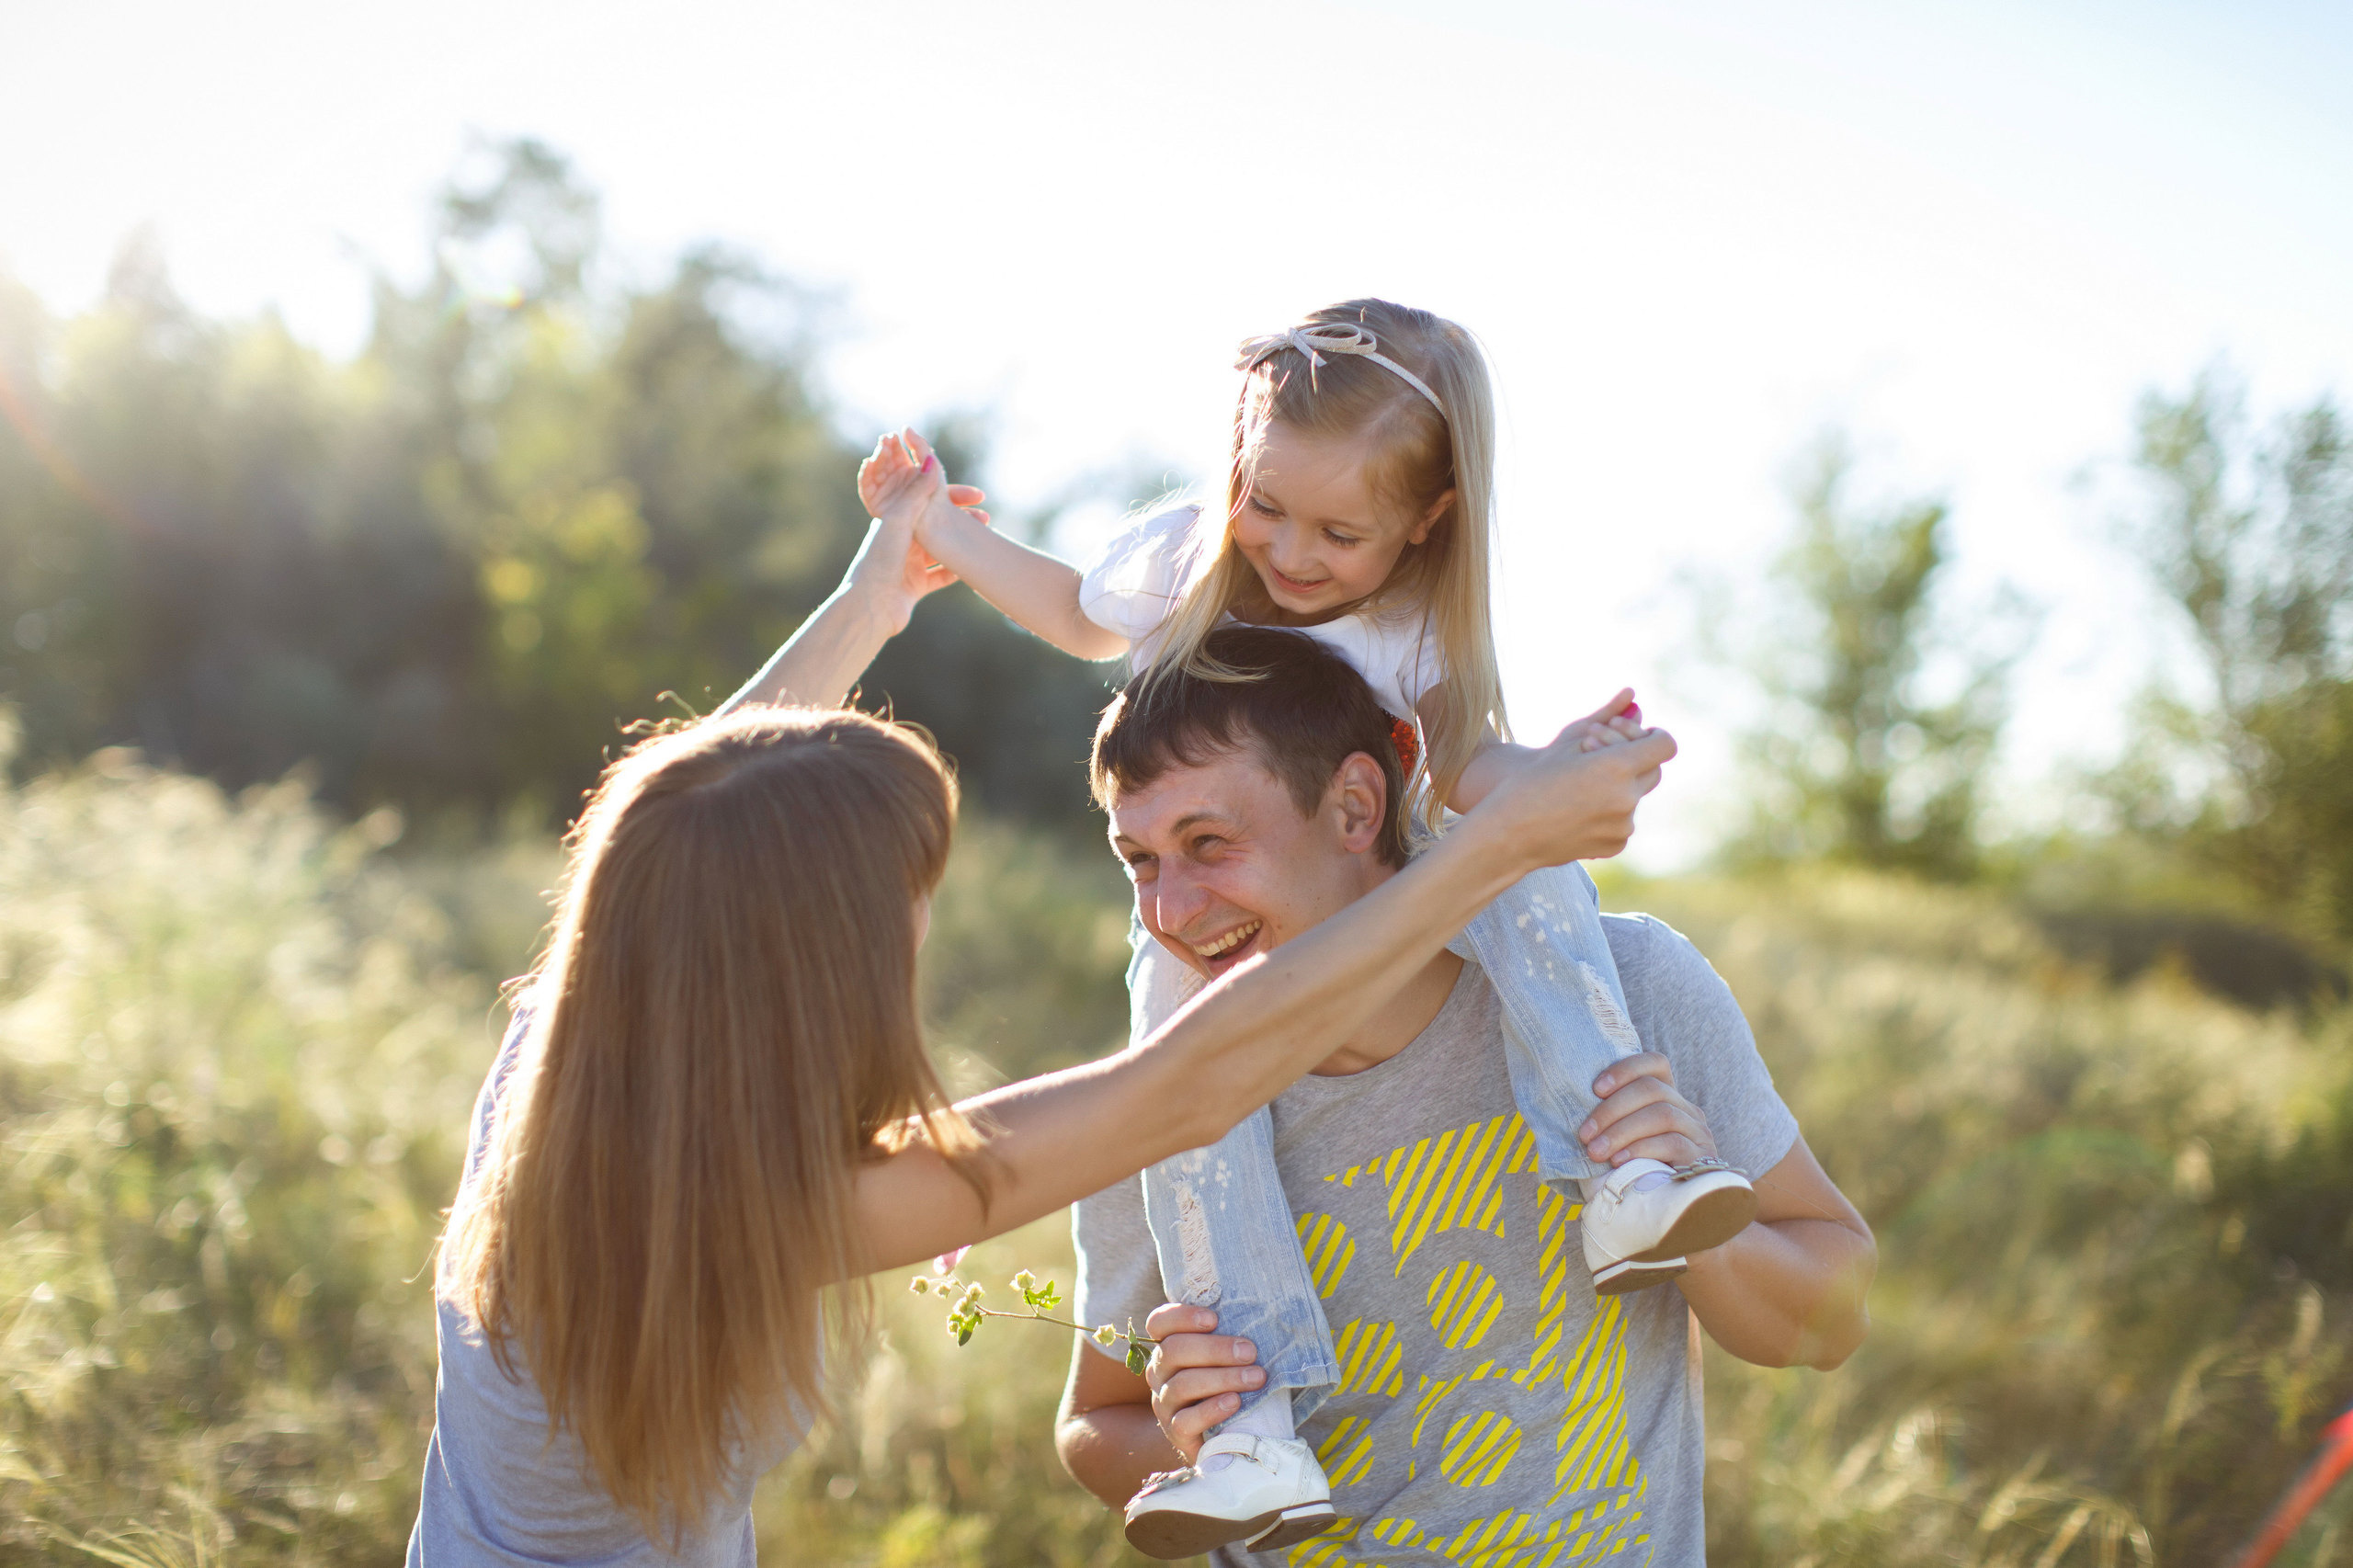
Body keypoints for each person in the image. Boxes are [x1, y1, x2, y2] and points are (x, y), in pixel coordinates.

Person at [404, 438, 1677, 1565]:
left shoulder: (567, 1051)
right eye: (904, 902)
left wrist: (874, 596)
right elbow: (1185, 1083)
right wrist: (1495, 846)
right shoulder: (763, 1204)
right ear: (809, 968)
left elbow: (680, 818)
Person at [882, 298, 1751, 1551]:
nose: (1291, 551)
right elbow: (1075, 610)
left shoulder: (1407, 629)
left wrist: (1563, 774)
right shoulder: (1188, 562)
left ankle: (1620, 1165)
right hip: (1215, 932)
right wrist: (948, 541)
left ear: (1425, 520)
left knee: (1539, 881)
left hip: (1394, 890)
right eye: (1268, 503)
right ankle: (1250, 1428)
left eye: (1341, 530)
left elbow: (1472, 777)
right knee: (1188, 1114)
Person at [1056, 628, 1876, 1564]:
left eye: (1208, 842)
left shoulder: (1623, 989)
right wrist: (1190, 1432)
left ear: (1357, 806)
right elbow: (1092, 1423)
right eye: (1141, 860)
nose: (1170, 908)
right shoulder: (1155, 1110)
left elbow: (1833, 1315)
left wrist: (1705, 1220)